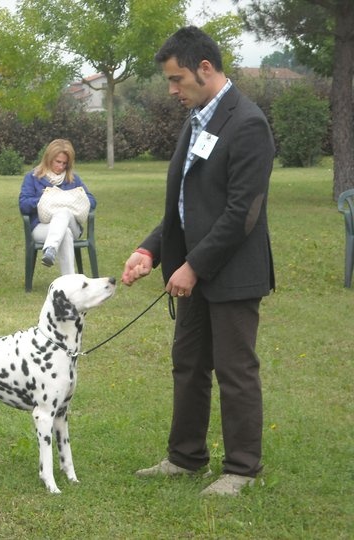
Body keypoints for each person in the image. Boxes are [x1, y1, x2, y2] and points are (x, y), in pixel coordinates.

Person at [121, 26, 275, 496]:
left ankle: (242, 469)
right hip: (193, 270)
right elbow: (186, 207)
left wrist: (194, 266)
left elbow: (241, 213)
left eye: (177, 79)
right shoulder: (195, 121)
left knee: (234, 370)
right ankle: (186, 458)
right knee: (188, 364)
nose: (172, 90)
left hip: (233, 273)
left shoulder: (247, 123)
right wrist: (151, 249)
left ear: (205, 69)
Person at [19, 139, 96, 274]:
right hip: (41, 226)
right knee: (64, 233)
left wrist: (66, 200)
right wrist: (46, 200)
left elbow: (92, 201)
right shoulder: (32, 177)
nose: (61, 167)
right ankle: (70, 281)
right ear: (49, 159)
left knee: (63, 211)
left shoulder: (73, 179)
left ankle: (50, 249)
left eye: (64, 163)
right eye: (58, 162)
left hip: (72, 225)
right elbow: (23, 205)